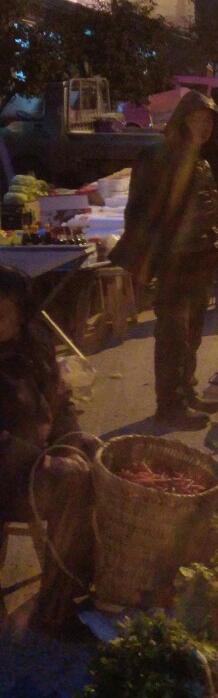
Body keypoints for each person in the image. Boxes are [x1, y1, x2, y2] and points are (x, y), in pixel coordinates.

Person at [111, 90, 218, 428]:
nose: (204, 127)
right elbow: (141, 212)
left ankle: (186, 391)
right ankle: (170, 405)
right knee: (173, 333)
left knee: (193, 329)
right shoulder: (158, 157)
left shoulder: (203, 159)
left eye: (209, 121)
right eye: (197, 119)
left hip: (199, 259)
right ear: (182, 120)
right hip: (174, 261)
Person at [0, 267, 97, 631]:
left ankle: (63, 593)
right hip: (8, 471)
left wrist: (70, 446)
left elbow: (60, 404)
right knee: (68, 482)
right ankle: (57, 609)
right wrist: (43, 462)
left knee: (90, 462)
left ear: (22, 315)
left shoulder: (33, 345)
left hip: (30, 465)